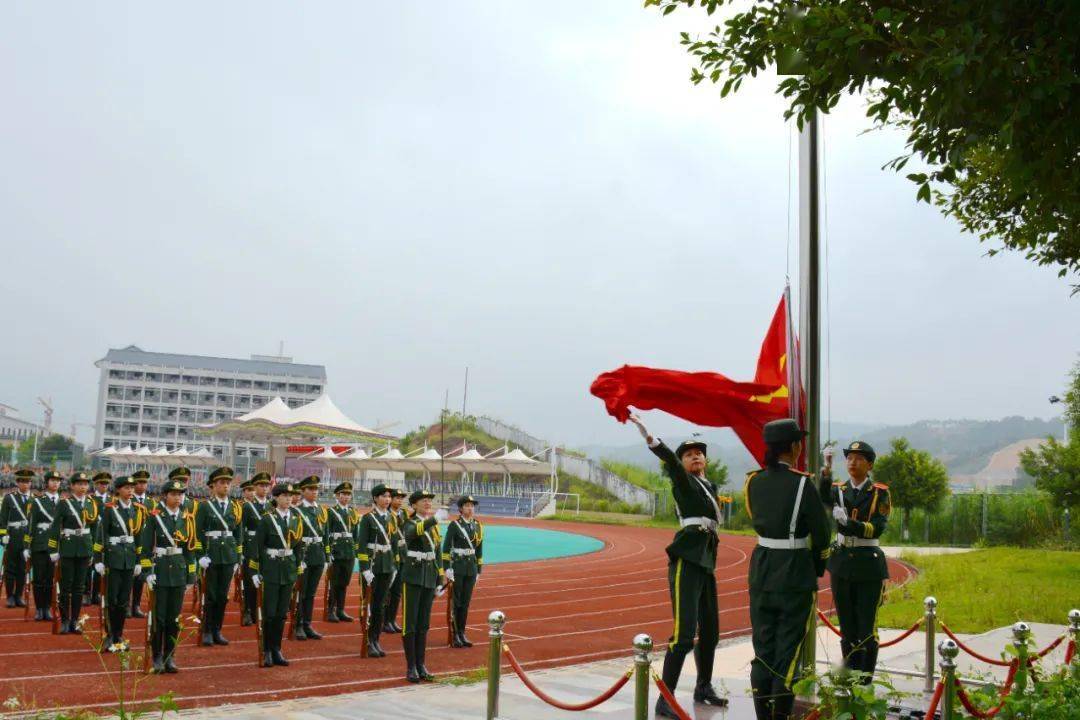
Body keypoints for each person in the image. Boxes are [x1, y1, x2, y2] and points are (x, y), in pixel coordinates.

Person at [626, 413, 729, 716]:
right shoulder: (684, 482)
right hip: (687, 559)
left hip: (706, 562)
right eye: (688, 454)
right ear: (682, 463)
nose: (695, 456)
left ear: (705, 460)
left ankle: (703, 686)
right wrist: (650, 439)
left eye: (699, 453)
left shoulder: (709, 485)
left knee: (710, 632)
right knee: (684, 635)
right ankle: (665, 699)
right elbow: (670, 462)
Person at [745, 419, 832, 720]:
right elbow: (822, 534)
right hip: (795, 574)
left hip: (761, 571)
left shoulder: (753, 482)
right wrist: (817, 566)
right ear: (794, 447)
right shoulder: (803, 484)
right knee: (787, 656)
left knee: (763, 652)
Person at [819, 441, 891, 682]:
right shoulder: (839, 489)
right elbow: (822, 498)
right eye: (849, 458)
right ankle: (849, 675)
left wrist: (850, 524)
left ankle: (865, 680)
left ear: (869, 465)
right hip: (842, 564)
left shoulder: (879, 492)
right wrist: (826, 470)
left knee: (866, 627)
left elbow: (877, 527)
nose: (853, 462)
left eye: (859, 458)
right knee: (847, 626)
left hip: (868, 564)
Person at [140, 479, 196, 673]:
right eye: (173, 494)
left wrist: (191, 575)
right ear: (165, 496)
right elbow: (145, 548)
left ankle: (170, 655)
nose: (178, 497)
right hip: (161, 571)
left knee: (174, 618)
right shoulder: (155, 517)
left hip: (179, 571)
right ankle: (156, 656)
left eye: (180, 494)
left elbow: (190, 550)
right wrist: (147, 572)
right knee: (159, 618)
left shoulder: (187, 518)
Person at [93, 475, 147, 650]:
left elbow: (139, 537)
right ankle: (109, 635)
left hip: (129, 559)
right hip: (113, 558)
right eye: (126, 488)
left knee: (124, 601)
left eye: (132, 487)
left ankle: (119, 635)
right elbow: (101, 534)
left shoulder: (137, 510)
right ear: (118, 490)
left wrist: (138, 561)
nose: (130, 490)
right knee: (111, 599)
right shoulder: (109, 509)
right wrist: (98, 559)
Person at [252, 482, 303, 668]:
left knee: (282, 613)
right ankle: (266, 650)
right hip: (271, 570)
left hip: (288, 570)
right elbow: (257, 546)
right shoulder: (267, 519)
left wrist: (298, 566)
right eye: (284, 496)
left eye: (290, 496)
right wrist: (255, 571)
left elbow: (298, 546)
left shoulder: (296, 519)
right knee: (270, 613)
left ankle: (276, 649)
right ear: (276, 498)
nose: (289, 499)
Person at [400, 489, 446, 683]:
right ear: (414, 505)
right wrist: (434, 519)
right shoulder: (409, 523)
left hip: (429, 577)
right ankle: (411, 667)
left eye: (429, 500)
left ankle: (421, 665)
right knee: (410, 624)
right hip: (413, 576)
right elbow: (414, 533)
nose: (428, 503)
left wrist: (440, 578)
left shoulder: (432, 527)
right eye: (423, 500)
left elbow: (437, 552)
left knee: (423, 624)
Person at [194, 466, 243, 647]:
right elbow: (197, 532)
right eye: (222, 483)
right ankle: (206, 630)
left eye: (228, 483)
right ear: (213, 486)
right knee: (211, 595)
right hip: (211, 555)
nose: (226, 486)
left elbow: (238, 534)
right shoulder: (205, 506)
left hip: (228, 556)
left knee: (222, 596)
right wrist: (200, 555)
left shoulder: (235, 507)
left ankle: (217, 630)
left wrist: (238, 557)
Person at [50, 471, 100, 634]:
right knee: (66, 586)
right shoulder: (64, 503)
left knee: (79, 587)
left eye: (85, 484)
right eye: (79, 484)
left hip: (85, 548)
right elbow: (55, 527)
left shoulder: (91, 503)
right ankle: (65, 620)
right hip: (68, 548)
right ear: (72, 486)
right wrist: (53, 549)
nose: (83, 487)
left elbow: (95, 529)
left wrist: (93, 551)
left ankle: (75, 620)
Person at [356, 483, 395, 657]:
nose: (387, 499)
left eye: (389, 496)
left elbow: (394, 543)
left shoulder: (392, 518)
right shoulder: (368, 519)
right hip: (372, 567)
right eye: (383, 496)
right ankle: (367, 640)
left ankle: (376, 639)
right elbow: (361, 545)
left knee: (380, 605)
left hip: (386, 565)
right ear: (375, 498)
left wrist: (394, 566)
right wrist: (365, 569)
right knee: (369, 605)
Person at [442, 495, 483, 648]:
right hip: (457, 568)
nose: (470, 508)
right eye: (467, 506)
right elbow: (446, 548)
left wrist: (478, 570)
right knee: (456, 602)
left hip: (470, 568)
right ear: (460, 509)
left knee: (465, 603)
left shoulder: (478, 525)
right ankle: (454, 634)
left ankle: (462, 632)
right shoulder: (455, 525)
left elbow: (479, 549)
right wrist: (447, 568)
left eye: (472, 506)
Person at [293, 475, 328, 640]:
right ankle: (298, 624)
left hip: (317, 555)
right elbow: (294, 537)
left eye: (316, 489)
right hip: (304, 555)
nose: (315, 492)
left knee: (311, 593)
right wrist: (297, 559)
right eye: (311, 489)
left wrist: (326, 557)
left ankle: (307, 624)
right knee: (301, 592)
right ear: (302, 491)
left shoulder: (321, 510)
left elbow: (325, 535)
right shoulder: (296, 510)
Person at [26, 470, 62, 621]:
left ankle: (47, 607)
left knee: (51, 579)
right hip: (40, 544)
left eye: (58, 480)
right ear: (46, 483)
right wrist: (27, 546)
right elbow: (31, 524)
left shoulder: (65, 502)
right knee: (39, 578)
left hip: (58, 545)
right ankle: (39, 608)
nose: (55, 483)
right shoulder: (38, 501)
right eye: (52, 480)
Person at [240, 472, 272, 627]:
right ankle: (248, 611)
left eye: (266, 485)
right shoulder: (247, 506)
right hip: (251, 548)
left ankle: (261, 611)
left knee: (265, 581)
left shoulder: (271, 506)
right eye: (261, 485)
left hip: (266, 549)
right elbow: (241, 529)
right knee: (249, 582)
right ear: (255, 487)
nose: (264, 488)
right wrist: (242, 549)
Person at [325, 481, 358, 624]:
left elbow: (355, 533)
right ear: (337, 496)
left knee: (344, 582)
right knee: (334, 582)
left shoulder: (352, 512)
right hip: (337, 551)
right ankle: (331, 610)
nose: (346, 497)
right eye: (343, 494)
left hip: (349, 551)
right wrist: (328, 552)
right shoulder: (331, 512)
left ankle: (341, 610)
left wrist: (355, 550)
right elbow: (326, 533)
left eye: (348, 494)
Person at [0, 468, 34, 608]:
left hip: (27, 537)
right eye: (23, 482)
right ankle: (10, 597)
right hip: (13, 536)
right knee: (10, 568)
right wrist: (3, 535)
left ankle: (18, 596)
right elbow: (3, 519)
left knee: (23, 568)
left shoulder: (35, 499)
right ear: (18, 483)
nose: (25, 484)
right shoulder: (9, 498)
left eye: (28, 482)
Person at [382, 488, 408, 634]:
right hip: (391, 555)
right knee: (387, 590)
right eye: (396, 498)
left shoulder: (404, 513)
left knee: (397, 591)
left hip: (403, 555)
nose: (399, 500)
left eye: (401, 498)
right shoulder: (386, 514)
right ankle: (384, 621)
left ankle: (391, 620)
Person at [129, 470, 154, 618]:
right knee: (128, 576)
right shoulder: (129, 500)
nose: (142, 485)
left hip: (145, 546)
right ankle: (126, 604)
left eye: (144, 482)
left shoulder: (152, 503)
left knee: (140, 576)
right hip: (130, 543)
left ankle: (136, 605)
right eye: (139, 482)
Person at [88, 472, 112, 606]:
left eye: (106, 484)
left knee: (103, 567)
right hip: (92, 537)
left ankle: (98, 593)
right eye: (102, 484)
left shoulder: (112, 501)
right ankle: (86, 592)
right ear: (96, 485)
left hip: (106, 539)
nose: (104, 486)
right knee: (88, 567)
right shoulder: (90, 500)